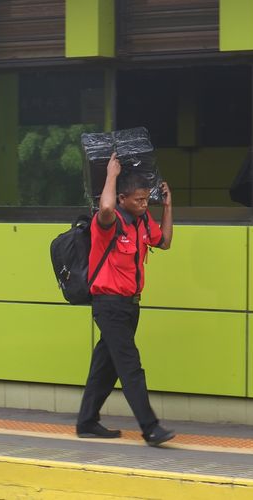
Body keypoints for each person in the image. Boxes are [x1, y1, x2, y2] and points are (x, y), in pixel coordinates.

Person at [76, 152, 175, 447]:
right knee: (130, 366)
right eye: (138, 200)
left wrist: (168, 206)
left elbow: (166, 242)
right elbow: (105, 205)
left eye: (147, 199)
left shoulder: (142, 223)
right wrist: (111, 173)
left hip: (130, 306)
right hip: (109, 306)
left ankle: (86, 421)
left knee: (104, 366)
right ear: (122, 198)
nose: (145, 204)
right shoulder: (108, 222)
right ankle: (151, 428)